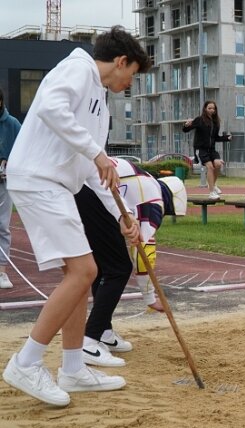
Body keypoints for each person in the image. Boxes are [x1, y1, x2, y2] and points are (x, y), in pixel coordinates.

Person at [2, 26, 150, 407]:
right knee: (85, 271)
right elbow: (52, 108)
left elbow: (92, 169)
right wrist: (97, 154)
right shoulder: (78, 68)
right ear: (120, 62)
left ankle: (72, 368)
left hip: (58, 185)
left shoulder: (98, 100)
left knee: (83, 276)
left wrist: (124, 215)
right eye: (131, 73)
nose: (130, 82)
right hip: (38, 179)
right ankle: (27, 361)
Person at [79, 159, 186, 368]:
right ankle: (90, 340)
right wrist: (149, 298)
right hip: (93, 192)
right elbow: (144, 250)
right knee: (119, 269)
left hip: (82, 188)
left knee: (104, 266)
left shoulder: (146, 180)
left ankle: (103, 331)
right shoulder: (155, 201)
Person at [183, 100, 231, 200]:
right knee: (210, 167)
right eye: (209, 108)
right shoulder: (199, 120)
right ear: (205, 109)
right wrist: (186, 125)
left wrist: (226, 138)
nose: (211, 110)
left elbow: (215, 138)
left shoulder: (216, 122)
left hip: (212, 150)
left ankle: (212, 185)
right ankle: (212, 192)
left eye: (213, 108)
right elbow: (186, 130)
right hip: (201, 149)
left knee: (218, 164)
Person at [0, 87, 21, 289]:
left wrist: (9, 163)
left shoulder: (12, 124)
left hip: (3, 183)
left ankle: (2, 271)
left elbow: (25, 149)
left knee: (2, 225)